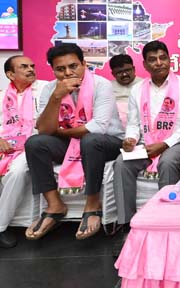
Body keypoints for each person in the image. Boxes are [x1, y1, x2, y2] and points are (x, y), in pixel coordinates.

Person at [24, 43, 124, 241]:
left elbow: (98, 126)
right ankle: (54, 205)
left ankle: (93, 204)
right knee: (35, 143)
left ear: (84, 64)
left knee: (90, 140)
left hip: (106, 141)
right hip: (69, 141)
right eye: (60, 69)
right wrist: (57, 97)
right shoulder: (50, 89)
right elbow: (44, 129)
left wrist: (59, 132)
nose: (68, 73)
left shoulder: (101, 84)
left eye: (73, 66)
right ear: (53, 70)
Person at [112, 41, 180, 254]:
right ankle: (128, 226)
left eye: (163, 57)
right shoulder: (137, 90)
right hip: (149, 142)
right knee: (121, 163)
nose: (159, 63)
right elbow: (133, 123)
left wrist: (165, 144)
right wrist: (131, 139)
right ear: (145, 64)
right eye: (152, 59)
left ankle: (166, 224)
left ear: (170, 60)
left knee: (168, 161)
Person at [0, 56, 47, 248]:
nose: (31, 69)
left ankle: (0, 227)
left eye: (32, 65)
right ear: (10, 74)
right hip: (5, 145)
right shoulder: (2, 96)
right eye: (24, 66)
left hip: (33, 145)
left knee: (17, 172)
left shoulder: (45, 89)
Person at [109, 54, 143, 126]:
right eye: (119, 72)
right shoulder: (107, 87)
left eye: (127, 70)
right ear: (113, 74)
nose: (124, 74)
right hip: (114, 128)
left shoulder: (144, 85)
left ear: (134, 69)